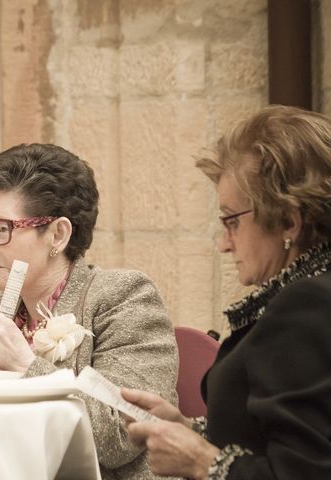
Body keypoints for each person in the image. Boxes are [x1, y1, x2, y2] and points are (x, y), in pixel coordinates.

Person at [125, 105, 331, 479]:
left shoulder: (307, 306)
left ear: (289, 220)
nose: (224, 243)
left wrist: (200, 462)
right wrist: (189, 430)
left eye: (232, 220)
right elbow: (274, 437)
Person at [0, 143, 178, 479]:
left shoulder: (124, 297)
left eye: (2, 230)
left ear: (58, 234)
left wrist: (26, 366)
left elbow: (122, 436)